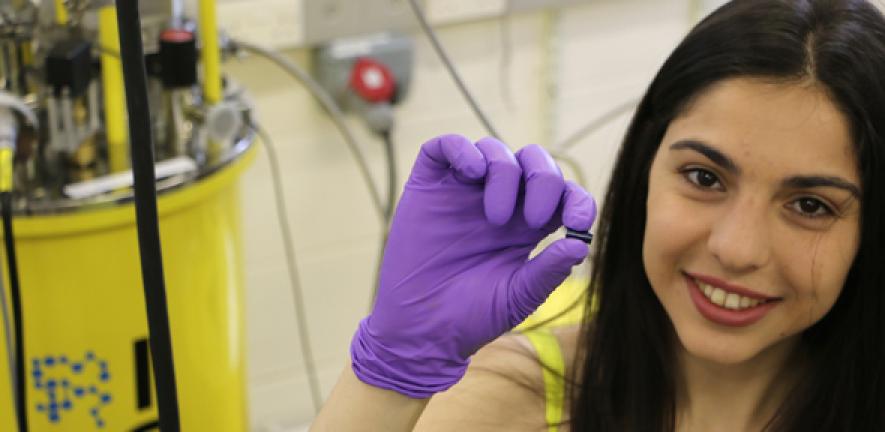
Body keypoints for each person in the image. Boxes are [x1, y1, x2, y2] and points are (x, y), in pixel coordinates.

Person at [311, 0, 885, 430]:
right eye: (705, 178)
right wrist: (389, 375)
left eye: (810, 205)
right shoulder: (516, 398)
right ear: (644, 172)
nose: (737, 248)